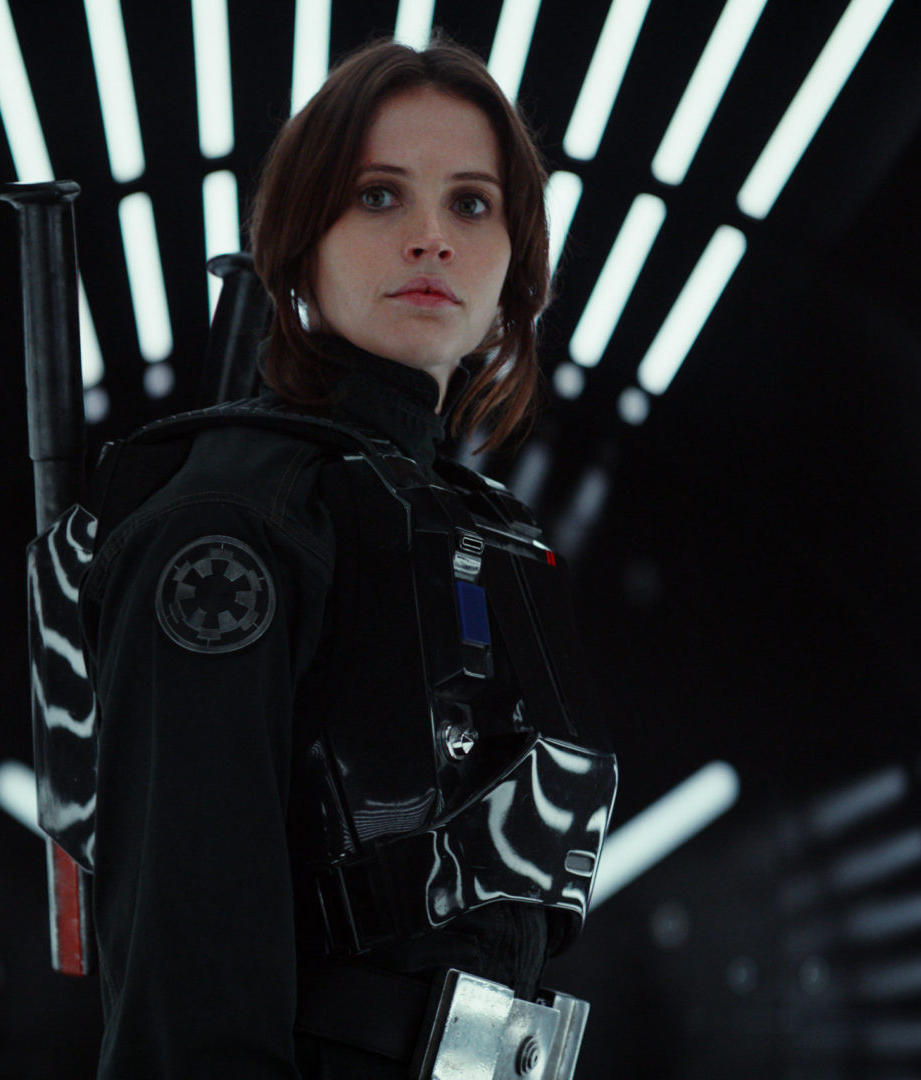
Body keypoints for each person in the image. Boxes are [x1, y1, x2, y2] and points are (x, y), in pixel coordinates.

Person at [77, 35, 617, 1079]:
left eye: (472, 204)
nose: (431, 239)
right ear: (299, 239)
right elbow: (190, 977)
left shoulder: (473, 523)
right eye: (378, 197)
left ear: (516, 260)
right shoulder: (233, 524)